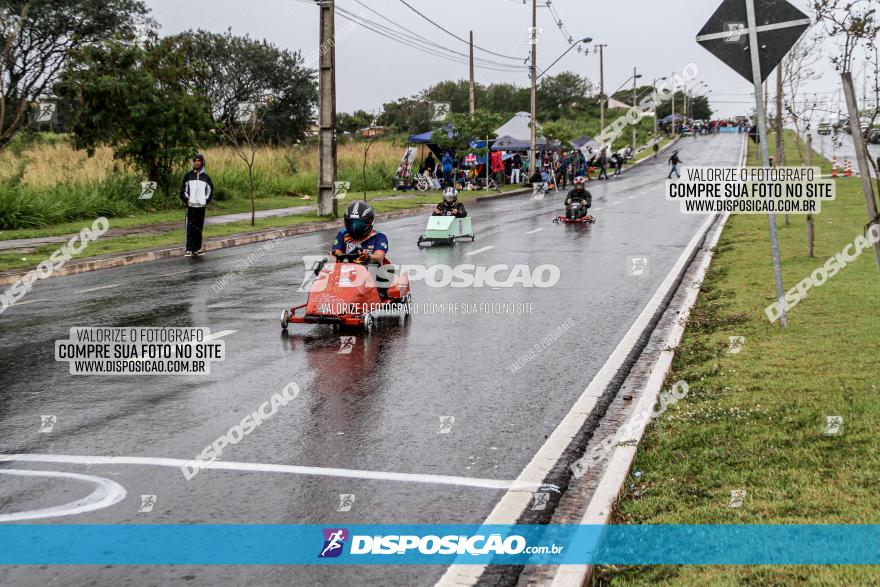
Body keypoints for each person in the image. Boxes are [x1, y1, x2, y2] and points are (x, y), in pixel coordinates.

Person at [179, 153, 214, 257]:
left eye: (199, 161)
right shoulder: (188, 175)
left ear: (202, 162)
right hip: (191, 206)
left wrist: (205, 201)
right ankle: (189, 249)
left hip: (201, 207)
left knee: (199, 228)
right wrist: (187, 200)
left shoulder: (206, 177)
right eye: (195, 161)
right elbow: (182, 190)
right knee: (190, 227)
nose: (197, 163)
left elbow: (210, 190)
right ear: (193, 163)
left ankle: (197, 249)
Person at [332, 201, 388, 265]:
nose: (355, 228)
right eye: (351, 224)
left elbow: (379, 257)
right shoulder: (343, 234)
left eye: (359, 224)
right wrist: (333, 255)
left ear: (370, 221)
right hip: (347, 271)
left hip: (371, 271)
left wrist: (368, 256)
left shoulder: (379, 237)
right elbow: (337, 252)